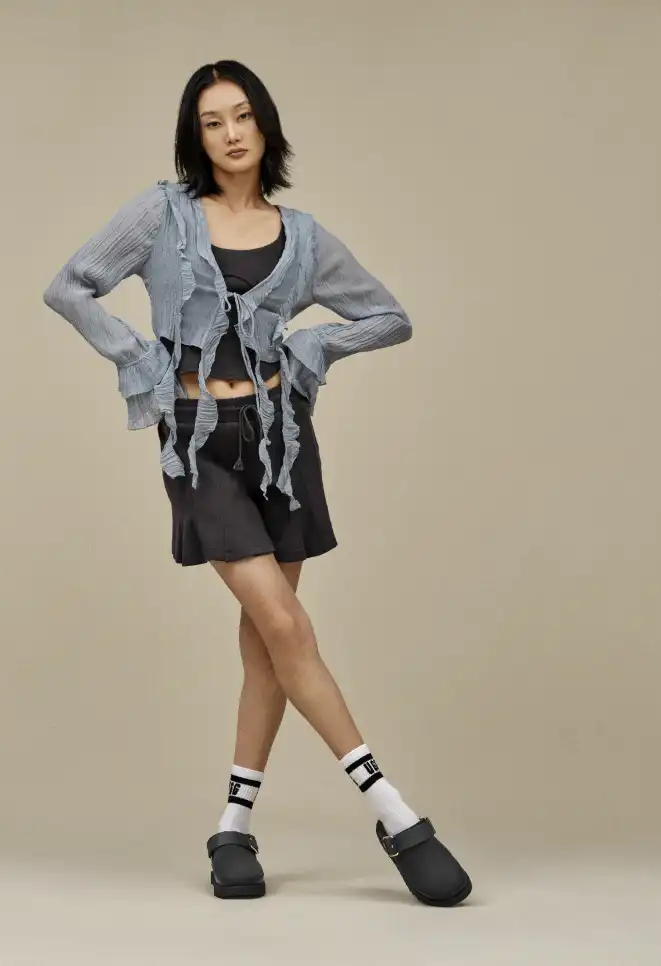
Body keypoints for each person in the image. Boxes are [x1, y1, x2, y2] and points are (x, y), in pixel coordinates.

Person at [43, 60, 472, 906]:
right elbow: (71, 287)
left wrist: (313, 345)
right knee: (285, 624)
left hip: (282, 444)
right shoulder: (162, 216)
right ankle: (395, 815)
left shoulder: (303, 238)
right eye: (212, 122)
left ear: (265, 124)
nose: (231, 134)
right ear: (194, 137)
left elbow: (388, 316)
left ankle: (233, 829)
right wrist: (140, 360)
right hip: (198, 443)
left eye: (242, 116)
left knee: (267, 646)